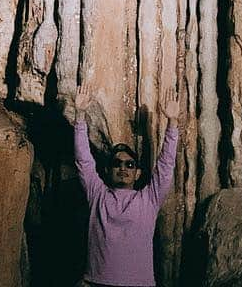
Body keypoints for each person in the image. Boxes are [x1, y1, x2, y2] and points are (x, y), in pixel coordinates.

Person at [72, 90, 180, 287]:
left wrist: (172, 123)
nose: (123, 168)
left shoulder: (149, 199)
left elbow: (165, 166)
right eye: (117, 164)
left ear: (137, 173)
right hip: (96, 282)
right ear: (107, 170)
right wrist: (79, 116)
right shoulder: (98, 194)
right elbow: (84, 161)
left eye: (129, 164)